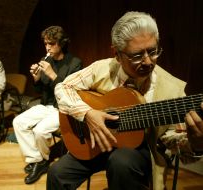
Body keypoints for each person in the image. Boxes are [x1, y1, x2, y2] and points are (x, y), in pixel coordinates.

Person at [47, 11, 203, 190]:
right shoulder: (102, 68)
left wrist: (196, 144)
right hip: (96, 143)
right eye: (137, 55)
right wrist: (88, 114)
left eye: (153, 52)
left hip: (140, 154)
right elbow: (63, 87)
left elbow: (172, 141)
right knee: (57, 173)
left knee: (121, 163)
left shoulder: (172, 90)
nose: (148, 62)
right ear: (117, 54)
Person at [13, 26, 82, 185]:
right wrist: (37, 78)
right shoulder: (47, 60)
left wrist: (52, 74)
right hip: (47, 106)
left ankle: (42, 161)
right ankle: (37, 160)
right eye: (46, 44)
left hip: (64, 108)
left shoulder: (75, 63)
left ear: (62, 43)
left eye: (51, 43)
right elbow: (41, 89)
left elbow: (71, 92)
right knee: (18, 122)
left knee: (40, 131)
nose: (48, 47)